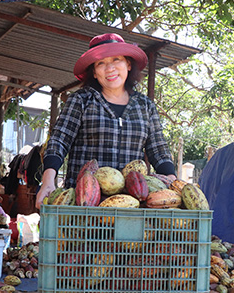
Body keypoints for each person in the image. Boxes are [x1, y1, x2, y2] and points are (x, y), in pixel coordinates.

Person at [35, 33, 176, 208]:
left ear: (128, 64)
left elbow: (158, 149)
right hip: (84, 204)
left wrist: (172, 181)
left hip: (129, 204)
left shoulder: (144, 105)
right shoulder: (81, 100)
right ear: (94, 72)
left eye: (117, 59)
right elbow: (59, 141)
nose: (110, 68)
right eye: (101, 63)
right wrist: (48, 179)